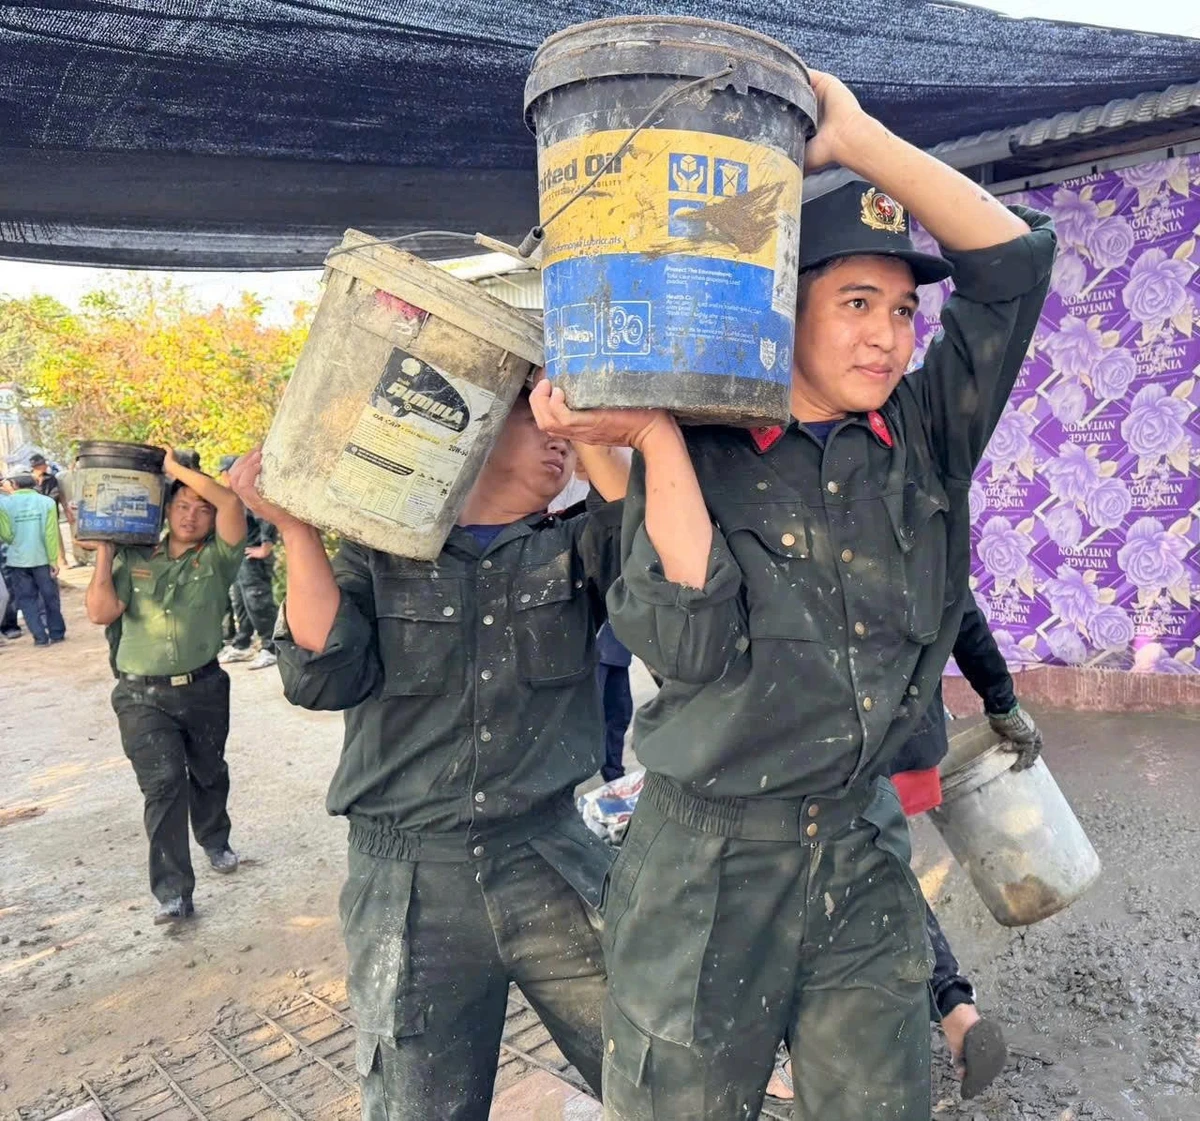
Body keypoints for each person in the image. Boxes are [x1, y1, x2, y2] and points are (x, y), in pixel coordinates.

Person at [531, 67, 1055, 1121]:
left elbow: (1012, 264)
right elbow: (688, 647)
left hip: (862, 845)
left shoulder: (924, 431)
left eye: (904, 310)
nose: (888, 336)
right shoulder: (705, 450)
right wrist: (653, 441)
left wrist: (859, 138)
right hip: (708, 865)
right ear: (782, 307)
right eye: (855, 303)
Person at [227, 390, 631, 1121]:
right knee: (421, 1105)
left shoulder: (574, 547)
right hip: (410, 881)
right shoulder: (381, 555)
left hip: (550, 856)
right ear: (474, 433)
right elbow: (321, 675)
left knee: (653, 1071)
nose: (555, 437)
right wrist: (296, 531)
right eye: (531, 416)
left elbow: (659, 559)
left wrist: (593, 426)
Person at [767, 589, 1045, 1104]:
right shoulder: (923, 508)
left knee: (803, 880)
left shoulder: (794, 511)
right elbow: (959, 610)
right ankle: (954, 1003)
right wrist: (1001, 701)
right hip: (909, 736)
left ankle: (803, 1051)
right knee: (880, 865)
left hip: (822, 744)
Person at [84, 450, 247, 925]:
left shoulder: (219, 558)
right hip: (140, 696)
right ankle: (173, 891)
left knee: (209, 771)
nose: (191, 515)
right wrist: (105, 557)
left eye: (202, 507)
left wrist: (175, 470)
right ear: (165, 509)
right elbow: (100, 613)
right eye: (181, 505)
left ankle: (215, 838)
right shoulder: (137, 556)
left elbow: (234, 507)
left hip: (203, 688)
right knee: (163, 786)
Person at [216, 454, 280, 670]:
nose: (222, 477)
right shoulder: (233, 497)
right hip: (240, 557)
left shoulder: (248, 493)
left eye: (224, 472)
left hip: (252, 558)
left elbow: (267, 518)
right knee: (240, 602)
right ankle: (242, 644)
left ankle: (271, 648)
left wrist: (266, 546)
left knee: (258, 602)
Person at [0, 473, 65, 646]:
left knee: (26, 600)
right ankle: (57, 633)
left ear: (14, 485)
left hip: (17, 561)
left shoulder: (4, 504)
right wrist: (53, 560)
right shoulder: (47, 502)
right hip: (42, 559)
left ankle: (40, 637)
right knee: (50, 597)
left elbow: (6, 535)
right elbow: (51, 534)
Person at [596, 622, 634, 783]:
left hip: (617, 645)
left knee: (620, 713)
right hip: (587, 645)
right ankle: (560, 794)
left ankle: (614, 776)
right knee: (580, 719)